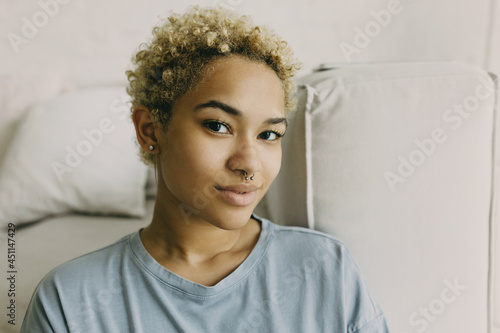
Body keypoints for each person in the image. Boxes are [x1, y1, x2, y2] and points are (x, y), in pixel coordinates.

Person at [21, 5, 390, 332]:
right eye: (218, 126)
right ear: (150, 130)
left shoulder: (325, 269)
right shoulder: (69, 303)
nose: (248, 163)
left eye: (268, 134)